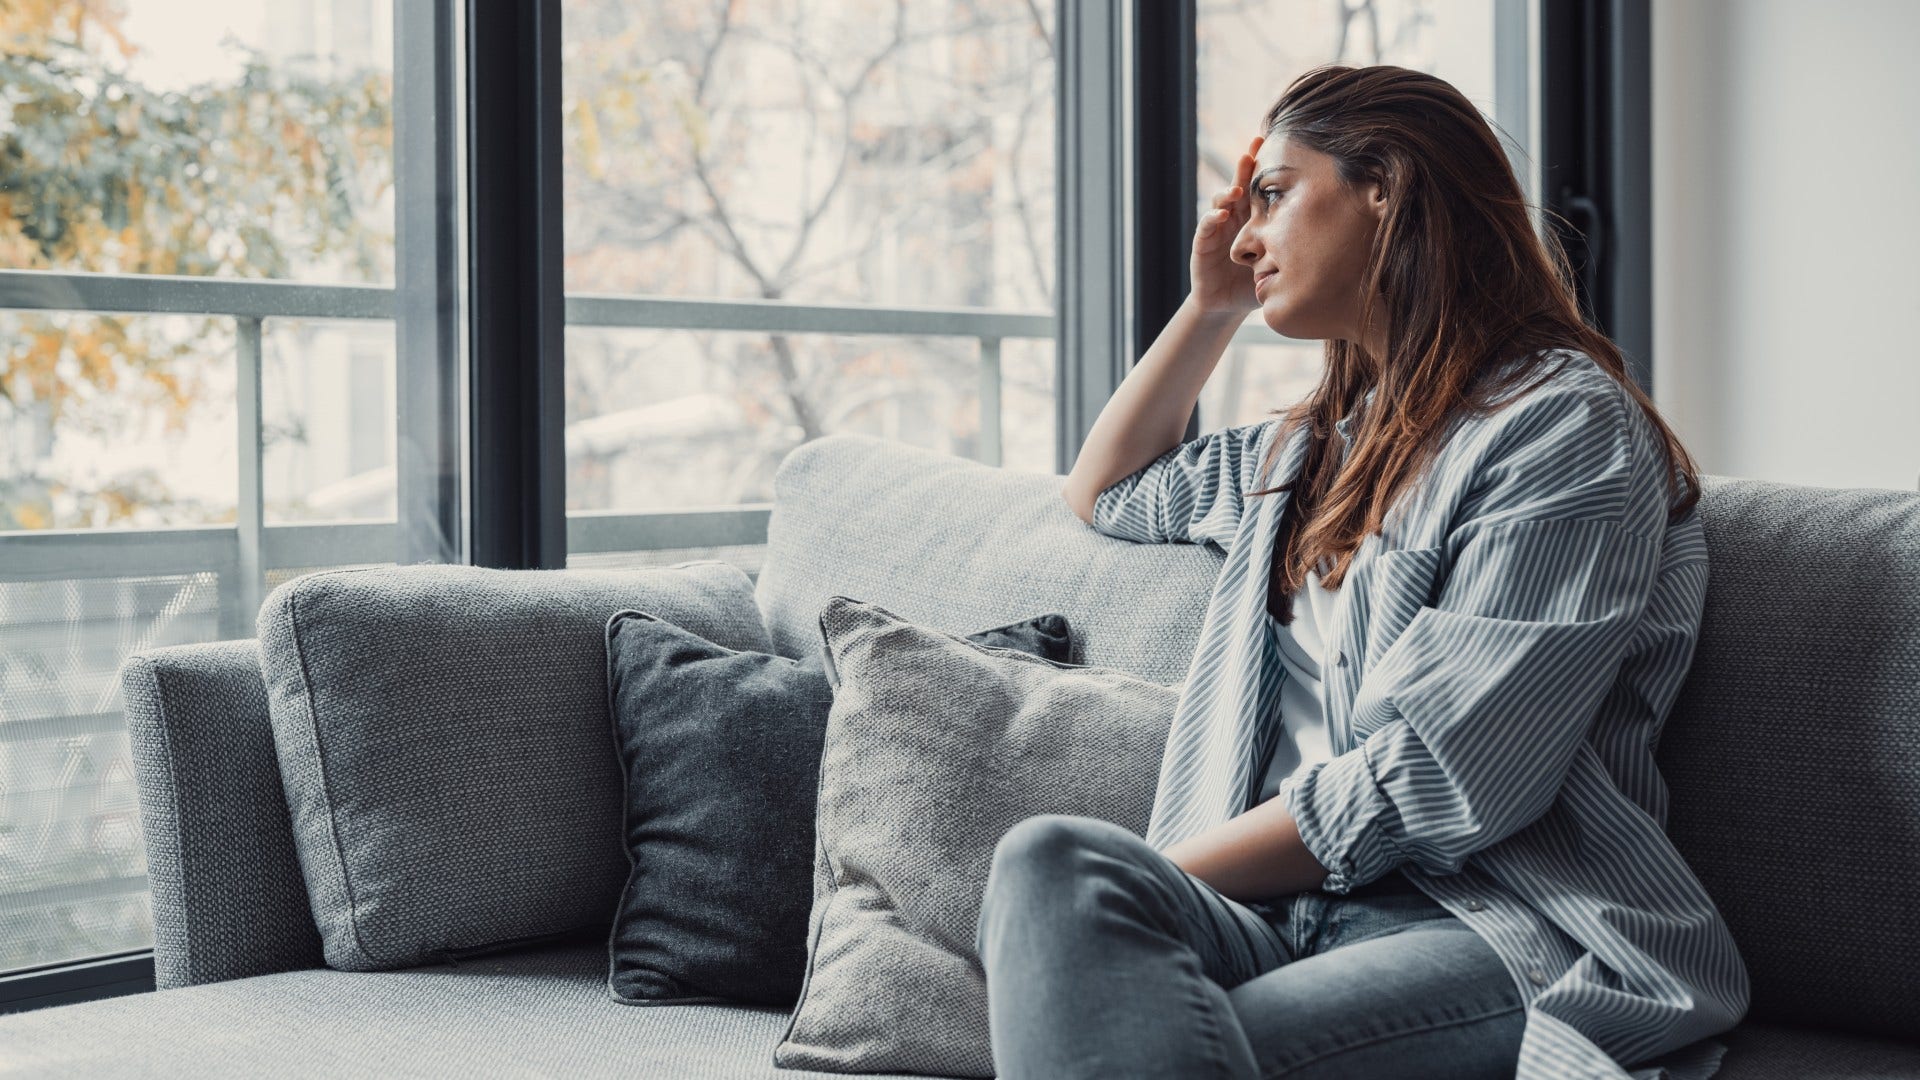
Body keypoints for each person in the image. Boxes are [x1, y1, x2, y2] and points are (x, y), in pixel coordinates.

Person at [972, 64, 1750, 1080]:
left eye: (1273, 195)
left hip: (1479, 922)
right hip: (1267, 919)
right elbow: (1106, 490)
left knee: (1154, 1046)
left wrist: (1167, 875)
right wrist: (1210, 309)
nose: (1245, 239)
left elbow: (1446, 774)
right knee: (1049, 861)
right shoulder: (1308, 451)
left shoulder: (1561, 428)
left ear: (1384, 186)